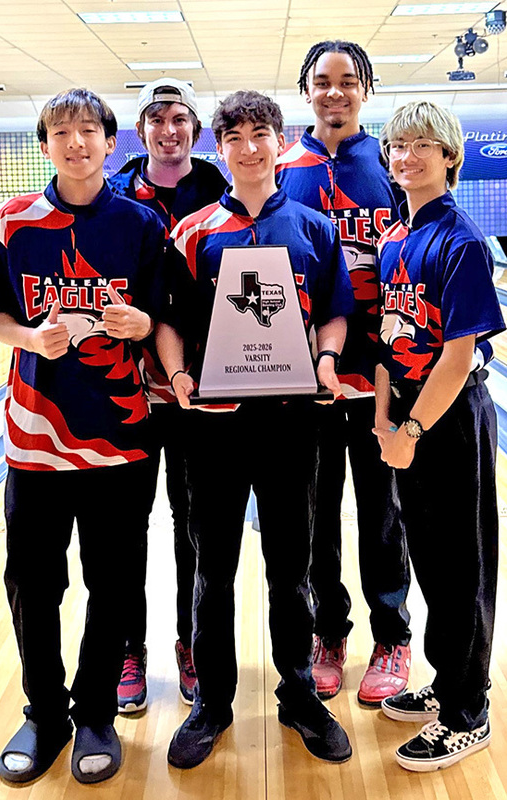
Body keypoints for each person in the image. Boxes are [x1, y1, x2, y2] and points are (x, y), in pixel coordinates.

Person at [155, 90, 355, 769]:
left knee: (288, 569)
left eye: (259, 132)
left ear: (277, 141)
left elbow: (333, 311)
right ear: (221, 149)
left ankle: (298, 694)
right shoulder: (192, 233)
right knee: (212, 570)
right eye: (233, 136)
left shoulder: (314, 228)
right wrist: (179, 376)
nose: (248, 146)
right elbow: (169, 321)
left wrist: (326, 358)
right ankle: (212, 701)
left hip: (290, 422)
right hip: (212, 425)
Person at [0, 88, 165, 784]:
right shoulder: (11, 223)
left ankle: (93, 716)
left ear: (111, 144)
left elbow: (159, 316)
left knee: (111, 582)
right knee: (31, 579)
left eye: (89, 130)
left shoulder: (140, 225)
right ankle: (44, 713)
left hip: (120, 438)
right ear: (45, 144)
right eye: (61, 131)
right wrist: (29, 336)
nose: (76, 141)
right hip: (34, 436)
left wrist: (138, 325)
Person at [276, 39, 411, 706]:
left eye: (346, 81)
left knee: (382, 515)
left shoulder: (393, 164)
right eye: (321, 81)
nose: (334, 92)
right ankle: (328, 634)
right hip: (305, 380)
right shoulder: (281, 170)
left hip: (380, 375)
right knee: (315, 517)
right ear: (305, 91)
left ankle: (391, 637)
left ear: (365, 90)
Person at [374, 100, 504, 771]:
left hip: (448, 423)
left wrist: (414, 429)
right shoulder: (394, 239)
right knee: (428, 562)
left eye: (422, 144)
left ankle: (467, 712)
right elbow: (385, 341)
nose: (406, 155)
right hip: (407, 424)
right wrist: (382, 422)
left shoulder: (460, 241)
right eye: (397, 144)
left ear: (449, 155)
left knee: (461, 569)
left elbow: (456, 359)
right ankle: (446, 679)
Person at [109, 78, 227, 712]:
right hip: (126, 387)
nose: (169, 129)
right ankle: (130, 646)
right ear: (142, 128)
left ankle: (190, 642)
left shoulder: (218, 186)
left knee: (192, 525)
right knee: (128, 526)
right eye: (157, 119)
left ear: (195, 129)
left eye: (180, 118)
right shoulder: (118, 191)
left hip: (196, 390)